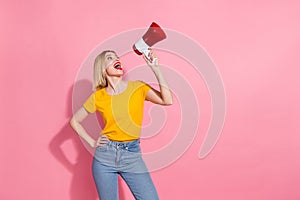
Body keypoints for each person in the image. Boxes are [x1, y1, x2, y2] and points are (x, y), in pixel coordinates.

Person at [70, 48, 172, 200]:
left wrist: (156, 69)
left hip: (132, 155)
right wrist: (92, 141)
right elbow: (74, 121)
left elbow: (167, 100)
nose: (116, 59)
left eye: (117, 57)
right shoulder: (98, 96)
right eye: (110, 58)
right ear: (102, 69)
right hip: (105, 157)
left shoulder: (137, 87)